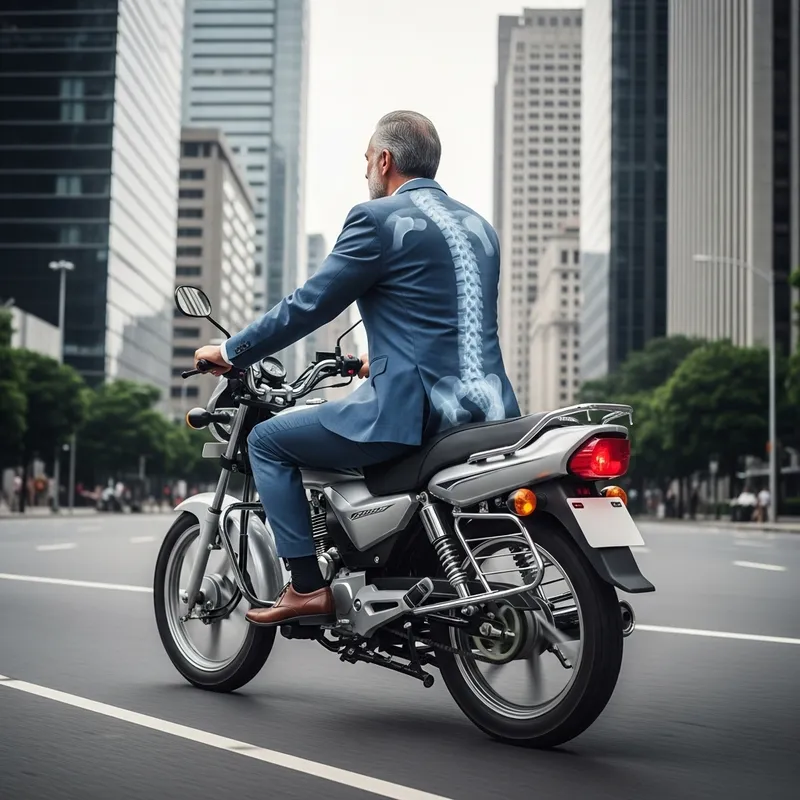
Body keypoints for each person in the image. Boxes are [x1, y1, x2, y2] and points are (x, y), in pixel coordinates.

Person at [193, 110, 520, 626]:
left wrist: (232, 350)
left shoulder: (376, 219)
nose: (365, 169)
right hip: (491, 413)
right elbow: (448, 317)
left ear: (384, 160)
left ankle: (305, 588)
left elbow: (309, 306)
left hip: (413, 414)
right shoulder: (481, 227)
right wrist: (383, 354)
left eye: (367, 159)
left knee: (267, 442)